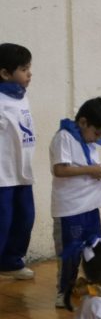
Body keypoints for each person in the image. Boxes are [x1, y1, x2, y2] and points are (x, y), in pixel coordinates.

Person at [52, 98, 101, 308]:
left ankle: (95, 284)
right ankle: (64, 290)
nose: (97, 139)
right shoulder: (64, 137)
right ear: (83, 122)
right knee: (71, 251)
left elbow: (87, 165)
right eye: (97, 134)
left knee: (95, 245)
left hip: (89, 205)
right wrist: (92, 170)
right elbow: (60, 169)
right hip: (70, 208)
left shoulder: (87, 141)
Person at [0, 42, 36, 281]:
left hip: (22, 173)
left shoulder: (21, 98)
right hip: (2, 176)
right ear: (5, 73)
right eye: (24, 69)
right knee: (2, 223)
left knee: (24, 219)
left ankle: (11, 262)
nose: (29, 74)